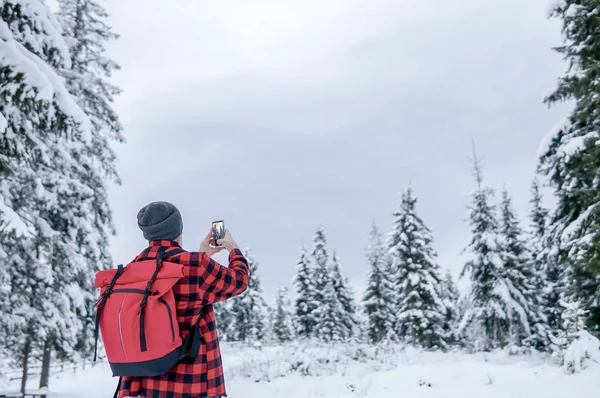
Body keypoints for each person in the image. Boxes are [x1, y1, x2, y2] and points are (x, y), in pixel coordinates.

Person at [119, 201, 249, 398]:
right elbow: (239, 280)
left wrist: (202, 255)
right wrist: (233, 248)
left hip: (143, 384)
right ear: (178, 229)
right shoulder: (195, 267)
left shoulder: (131, 270)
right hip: (191, 384)